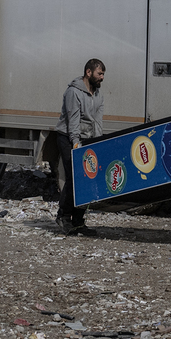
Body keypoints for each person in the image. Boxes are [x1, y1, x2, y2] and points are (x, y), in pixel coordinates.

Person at [54, 58, 106, 235]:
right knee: (74, 179)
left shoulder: (97, 93)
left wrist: (98, 142)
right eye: (100, 74)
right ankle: (63, 216)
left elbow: (97, 121)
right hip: (68, 138)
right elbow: (73, 121)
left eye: (103, 74)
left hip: (87, 138)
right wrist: (76, 143)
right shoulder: (73, 92)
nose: (102, 78)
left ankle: (78, 221)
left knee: (88, 179)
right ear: (88, 72)